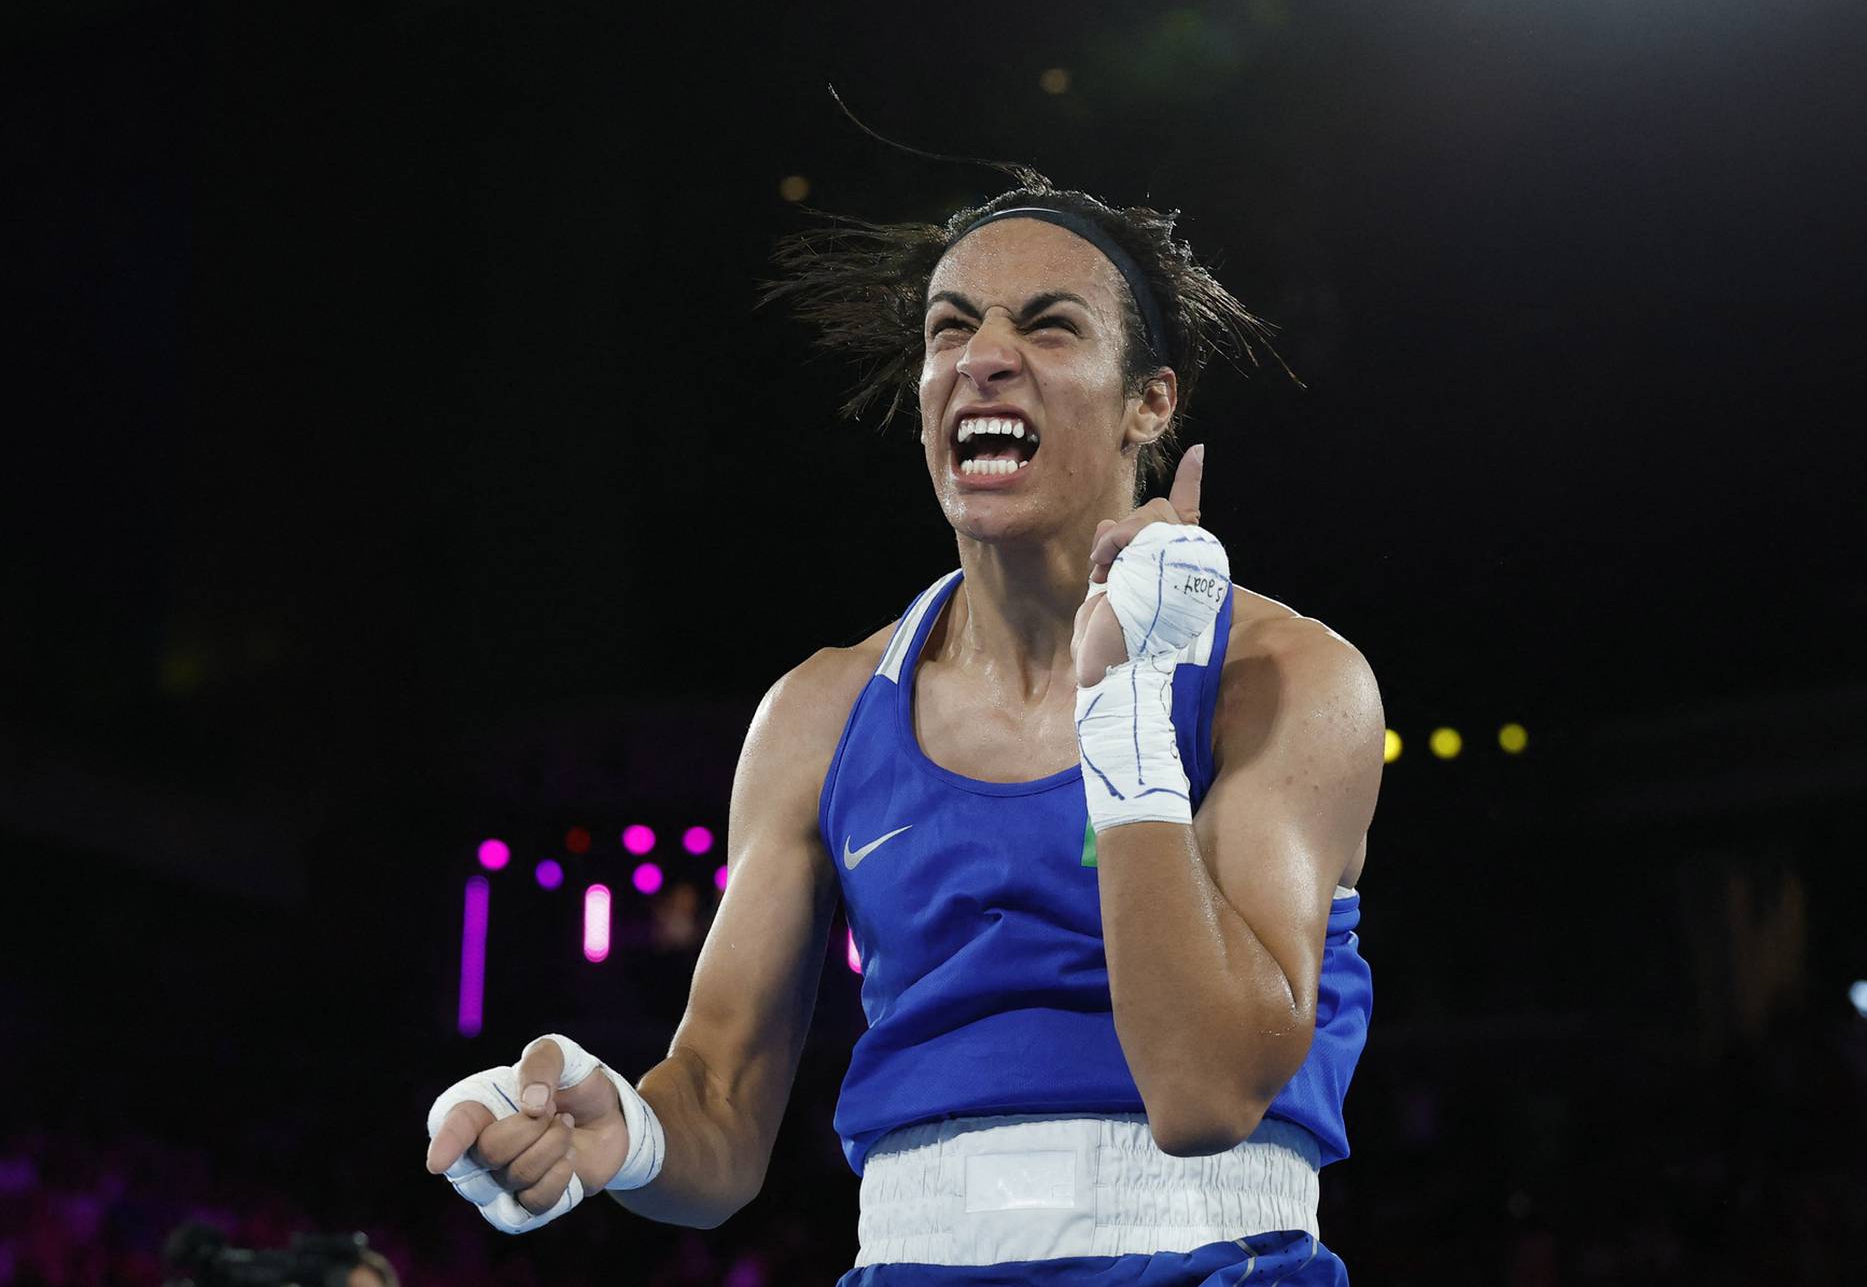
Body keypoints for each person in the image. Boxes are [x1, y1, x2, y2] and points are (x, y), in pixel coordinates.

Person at [425, 179, 1383, 1285]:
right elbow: (721, 1119)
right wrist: (618, 1135)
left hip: (1212, 1258)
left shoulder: (1285, 676)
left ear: (1150, 403)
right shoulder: (819, 710)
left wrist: (1125, 711)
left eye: (1047, 323)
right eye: (950, 328)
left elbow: (1208, 1090)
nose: (981, 356)